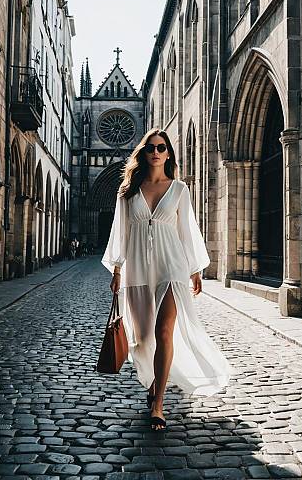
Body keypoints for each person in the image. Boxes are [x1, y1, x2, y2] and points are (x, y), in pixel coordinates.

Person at [102, 128, 232, 431]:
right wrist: (117, 270)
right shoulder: (128, 191)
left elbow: (187, 229)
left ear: (168, 153)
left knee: (164, 333)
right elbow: (119, 233)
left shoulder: (179, 189)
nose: (156, 152)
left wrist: (194, 268)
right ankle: (153, 384)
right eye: (151, 148)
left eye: (161, 147)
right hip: (136, 270)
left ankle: (158, 403)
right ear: (143, 153)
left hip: (171, 268)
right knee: (144, 340)